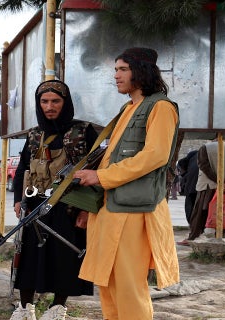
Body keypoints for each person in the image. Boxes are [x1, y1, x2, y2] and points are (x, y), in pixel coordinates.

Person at [73, 47, 180, 319]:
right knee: (108, 282)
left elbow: (154, 156)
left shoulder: (161, 107)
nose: (116, 76)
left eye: (122, 69)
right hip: (111, 207)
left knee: (129, 286)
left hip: (134, 211)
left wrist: (101, 177)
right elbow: (112, 157)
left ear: (140, 71)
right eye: (115, 70)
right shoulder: (129, 108)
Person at [9, 80, 96, 320]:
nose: (49, 106)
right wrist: (18, 199)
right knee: (27, 257)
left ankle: (57, 308)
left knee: (64, 258)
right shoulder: (36, 134)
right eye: (44, 101)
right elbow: (23, 168)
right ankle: (25, 308)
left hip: (70, 207)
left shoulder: (83, 132)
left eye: (55, 101)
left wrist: (87, 210)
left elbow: (96, 171)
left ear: (65, 103)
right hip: (35, 206)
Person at [180, 140, 225, 243]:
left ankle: (193, 238)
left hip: (207, 186)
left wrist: (218, 181)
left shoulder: (205, 148)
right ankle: (224, 238)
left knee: (199, 213)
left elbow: (203, 166)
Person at [177, 150, 200, 224]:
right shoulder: (198, 157)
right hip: (200, 187)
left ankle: (192, 224)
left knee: (190, 207)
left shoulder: (191, 159)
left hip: (191, 187)